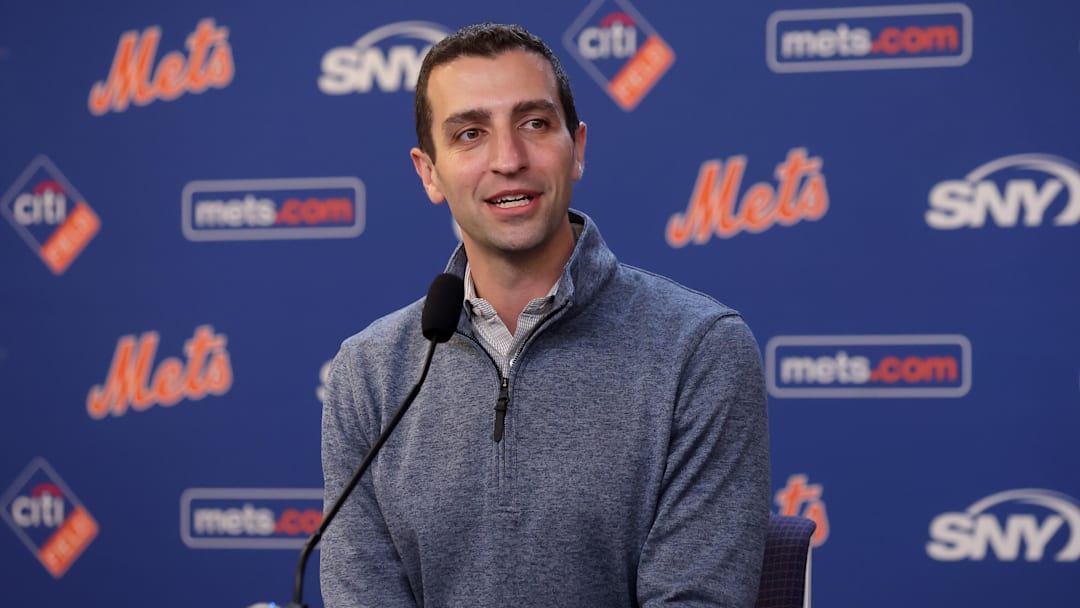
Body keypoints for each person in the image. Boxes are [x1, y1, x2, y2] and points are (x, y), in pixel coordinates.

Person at [320, 22, 770, 608]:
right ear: (428, 172)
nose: (508, 159)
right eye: (470, 134)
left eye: (534, 123)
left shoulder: (701, 350)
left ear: (577, 148)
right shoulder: (368, 371)